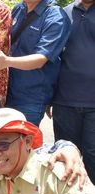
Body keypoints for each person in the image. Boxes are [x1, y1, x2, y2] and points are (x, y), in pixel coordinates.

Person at [0, 0, 70, 126]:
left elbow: (40, 59)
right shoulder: (18, 9)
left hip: (31, 98)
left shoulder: (55, 16)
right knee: (2, 139)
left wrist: (7, 62)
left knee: (21, 141)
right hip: (7, 92)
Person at [51, 0, 95, 182]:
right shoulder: (63, 13)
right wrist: (50, 97)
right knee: (65, 160)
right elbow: (53, 56)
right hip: (65, 102)